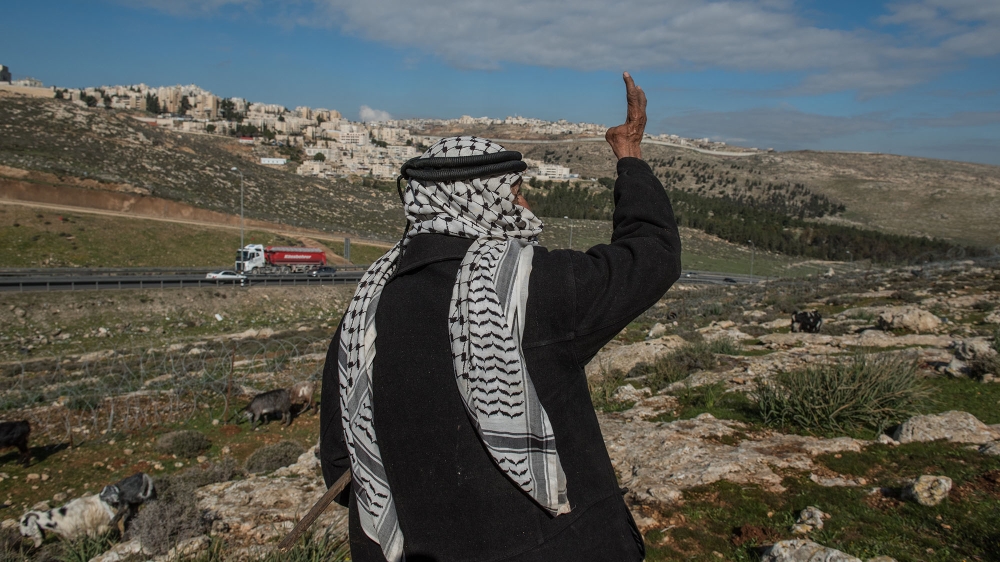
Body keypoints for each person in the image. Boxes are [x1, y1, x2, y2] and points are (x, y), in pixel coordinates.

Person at [320, 72, 681, 562]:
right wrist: (629, 157)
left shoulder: (362, 315)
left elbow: (344, 469)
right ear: (487, 201)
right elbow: (652, 254)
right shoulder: (533, 289)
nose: (526, 206)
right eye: (517, 193)